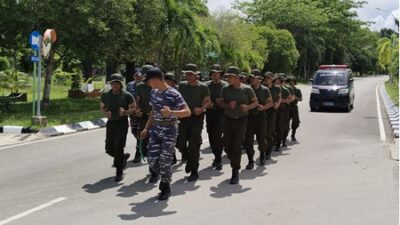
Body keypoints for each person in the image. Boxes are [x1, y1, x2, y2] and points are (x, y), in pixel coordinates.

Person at [140, 68, 191, 200]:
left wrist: (172, 113)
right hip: (156, 129)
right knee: (151, 159)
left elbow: (187, 112)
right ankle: (164, 175)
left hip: (170, 130)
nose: (148, 84)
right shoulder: (153, 92)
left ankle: (165, 185)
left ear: (155, 79)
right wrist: (146, 128)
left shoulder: (174, 93)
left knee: (165, 159)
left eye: (149, 81)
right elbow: (153, 111)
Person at [218, 66, 258, 184]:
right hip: (228, 119)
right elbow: (220, 102)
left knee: (236, 147)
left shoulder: (247, 89)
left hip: (241, 120)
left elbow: (255, 102)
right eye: (227, 77)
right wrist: (227, 105)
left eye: (230, 77)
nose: (228, 79)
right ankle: (234, 161)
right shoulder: (225, 89)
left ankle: (235, 172)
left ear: (236, 77)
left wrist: (248, 107)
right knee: (226, 146)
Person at [177, 63, 211, 181]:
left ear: (196, 75)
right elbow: (177, 99)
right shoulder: (182, 86)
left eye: (190, 74)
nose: (187, 76)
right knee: (180, 142)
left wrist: (201, 109)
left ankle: (194, 171)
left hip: (196, 118)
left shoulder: (203, 87)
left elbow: (208, 102)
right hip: (183, 117)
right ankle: (187, 156)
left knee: (194, 145)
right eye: (186, 74)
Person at [100, 74, 136, 182]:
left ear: (121, 85)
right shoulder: (105, 94)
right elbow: (101, 107)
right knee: (109, 148)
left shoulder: (127, 95)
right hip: (111, 123)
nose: (114, 85)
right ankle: (123, 157)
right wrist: (106, 113)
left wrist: (125, 112)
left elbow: (134, 108)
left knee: (118, 147)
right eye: (113, 83)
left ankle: (119, 172)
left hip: (122, 123)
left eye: (117, 83)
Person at [244, 69, 273, 168]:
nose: (251, 79)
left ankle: (262, 155)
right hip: (250, 117)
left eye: (253, 77)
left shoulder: (265, 90)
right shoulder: (247, 89)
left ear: (259, 79)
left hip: (261, 117)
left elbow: (270, 103)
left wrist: (263, 107)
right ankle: (250, 160)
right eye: (250, 77)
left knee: (261, 138)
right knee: (248, 140)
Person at [205, 64, 227, 170]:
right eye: (213, 73)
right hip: (209, 113)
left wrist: (221, 102)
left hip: (221, 113)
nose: (215, 75)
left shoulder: (225, 85)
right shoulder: (206, 85)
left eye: (217, 73)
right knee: (211, 135)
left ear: (220, 74)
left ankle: (218, 158)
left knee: (218, 135)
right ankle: (216, 154)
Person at [130, 65, 153, 163]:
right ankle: (141, 153)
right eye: (145, 75)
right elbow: (137, 100)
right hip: (144, 115)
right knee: (143, 136)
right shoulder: (140, 86)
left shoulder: (158, 84)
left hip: (157, 115)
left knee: (157, 137)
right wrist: (137, 109)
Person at [263, 72, 281, 160]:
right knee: (262, 132)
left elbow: (279, 97)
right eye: (266, 78)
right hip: (263, 111)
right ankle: (263, 150)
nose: (267, 80)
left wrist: (277, 104)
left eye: (269, 78)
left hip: (272, 111)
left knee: (269, 131)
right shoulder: (262, 87)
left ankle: (268, 150)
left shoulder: (277, 88)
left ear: (272, 79)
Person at [275, 74, 294, 150]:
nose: (275, 83)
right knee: (273, 128)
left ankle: (280, 143)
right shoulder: (273, 89)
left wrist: (282, 101)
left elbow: (290, 100)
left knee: (282, 127)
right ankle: (274, 142)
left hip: (282, 111)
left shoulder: (285, 90)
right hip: (273, 111)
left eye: (277, 82)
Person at [288, 76, 302, 141]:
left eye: (292, 81)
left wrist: (295, 97)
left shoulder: (297, 90)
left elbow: (300, 99)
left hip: (294, 106)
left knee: (296, 121)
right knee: (285, 122)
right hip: (287, 107)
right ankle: (283, 135)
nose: (291, 82)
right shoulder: (286, 89)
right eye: (290, 81)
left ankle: (293, 134)